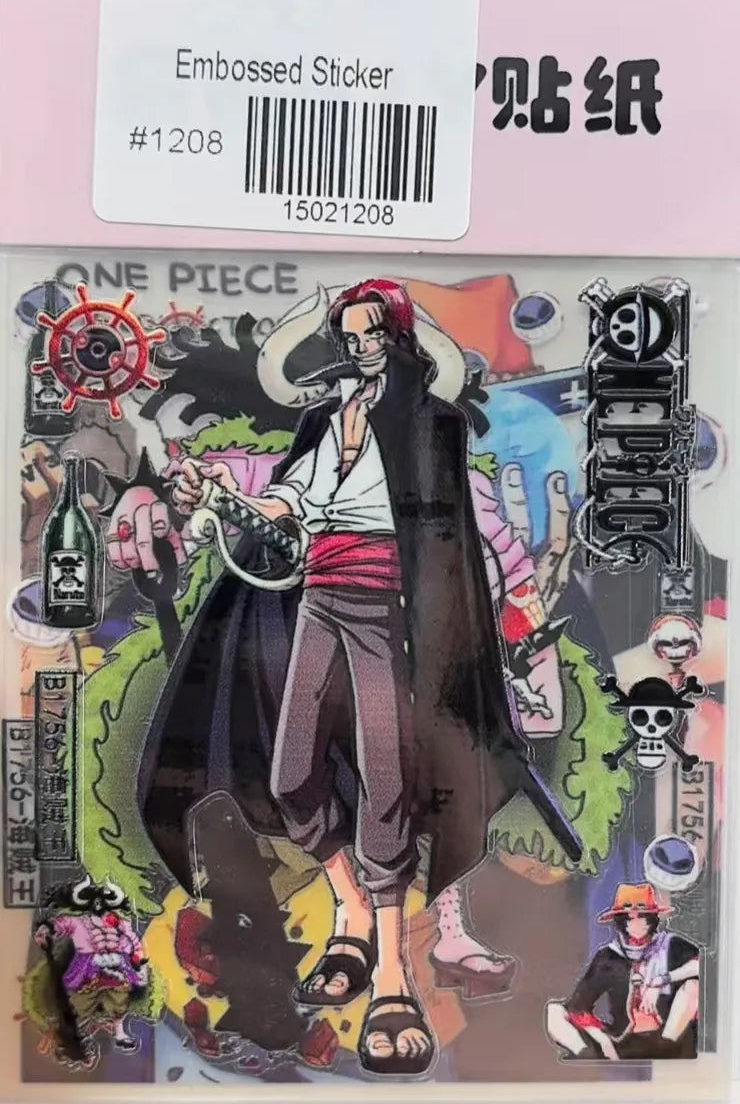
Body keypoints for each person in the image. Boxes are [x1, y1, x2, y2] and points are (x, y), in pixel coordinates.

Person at [121, 279, 581, 1076]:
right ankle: (351, 915)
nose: (363, 348)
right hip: (318, 602)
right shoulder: (324, 421)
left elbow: (462, 540)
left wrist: (482, 636)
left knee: (386, 784)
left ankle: (392, 984)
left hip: (390, 612)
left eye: (374, 334)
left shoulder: (432, 424)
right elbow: (293, 502)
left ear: (398, 338)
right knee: (292, 777)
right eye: (353, 335)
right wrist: (226, 497)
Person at [546, 882, 699, 1060]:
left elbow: (704, 966)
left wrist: (662, 980)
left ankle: (666, 1047)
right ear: (620, 921)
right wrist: (602, 1039)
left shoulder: (670, 945)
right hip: (621, 1043)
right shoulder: (608, 956)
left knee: (693, 986)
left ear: (652, 918)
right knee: (554, 1010)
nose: (636, 923)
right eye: (629, 918)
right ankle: (586, 1055)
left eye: (642, 916)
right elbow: (578, 1007)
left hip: (669, 1041)